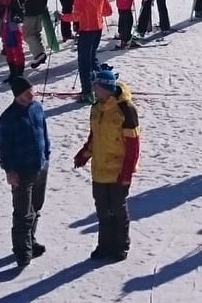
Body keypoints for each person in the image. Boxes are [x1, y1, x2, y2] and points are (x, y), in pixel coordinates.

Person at [74, 64, 140, 262]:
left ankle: (120, 246)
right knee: (103, 211)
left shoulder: (126, 110)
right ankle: (104, 246)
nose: (94, 89)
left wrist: (127, 174)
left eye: (96, 86)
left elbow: (133, 147)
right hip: (100, 169)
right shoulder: (96, 107)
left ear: (105, 87)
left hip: (118, 171)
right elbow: (95, 136)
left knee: (118, 211)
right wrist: (85, 154)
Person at [0, 76, 51, 268]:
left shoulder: (37, 108)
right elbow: (3, 148)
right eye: (27, 92)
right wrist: (9, 170)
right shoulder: (8, 117)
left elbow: (44, 132)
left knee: (36, 207)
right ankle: (22, 252)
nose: (31, 94)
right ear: (18, 95)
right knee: (22, 212)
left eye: (32, 91)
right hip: (22, 172)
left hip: (41, 166)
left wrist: (47, 155)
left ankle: (30, 241)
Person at [62, 0, 112, 102]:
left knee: (84, 63)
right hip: (98, 29)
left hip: (86, 31)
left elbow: (76, 16)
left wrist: (63, 17)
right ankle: (103, 87)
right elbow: (108, 11)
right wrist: (95, 12)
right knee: (92, 58)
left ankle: (87, 92)